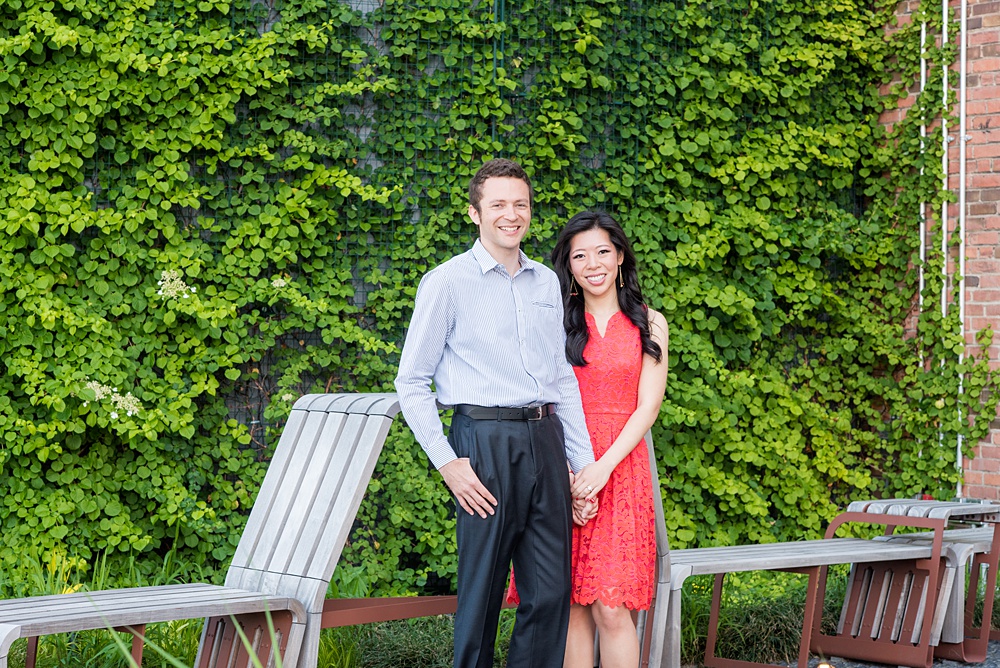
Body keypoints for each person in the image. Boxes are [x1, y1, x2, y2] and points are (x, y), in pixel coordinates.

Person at [394, 158, 597, 668]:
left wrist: (582, 463)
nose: (512, 214)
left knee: (551, 594)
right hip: (482, 443)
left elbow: (561, 377)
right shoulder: (446, 282)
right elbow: (411, 383)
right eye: (499, 204)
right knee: (482, 595)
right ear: (475, 213)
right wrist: (447, 462)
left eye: (520, 204)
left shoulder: (547, 282)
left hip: (546, 440)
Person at [511, 210, 669, 667]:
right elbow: (544, 401)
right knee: (571, 605)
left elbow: (648, 408)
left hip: (620, 470)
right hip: (561, 467)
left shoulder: (650, 323)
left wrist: (599, 470)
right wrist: (571, 474)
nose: (593, 263)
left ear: (620, 257)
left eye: (603, 251)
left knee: (611, 606)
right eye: (580, 255)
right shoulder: (556, 324)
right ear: (569, 266)